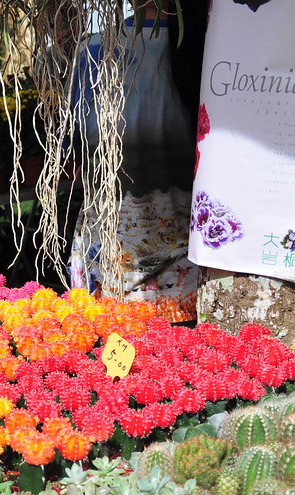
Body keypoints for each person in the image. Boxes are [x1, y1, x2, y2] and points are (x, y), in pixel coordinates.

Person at [68, 1, 208, 323]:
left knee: (112, 339)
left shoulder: (94, 48)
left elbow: (75, 151)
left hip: (112, 243)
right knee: (186, 346)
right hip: (188, 250)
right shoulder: (210, 45)